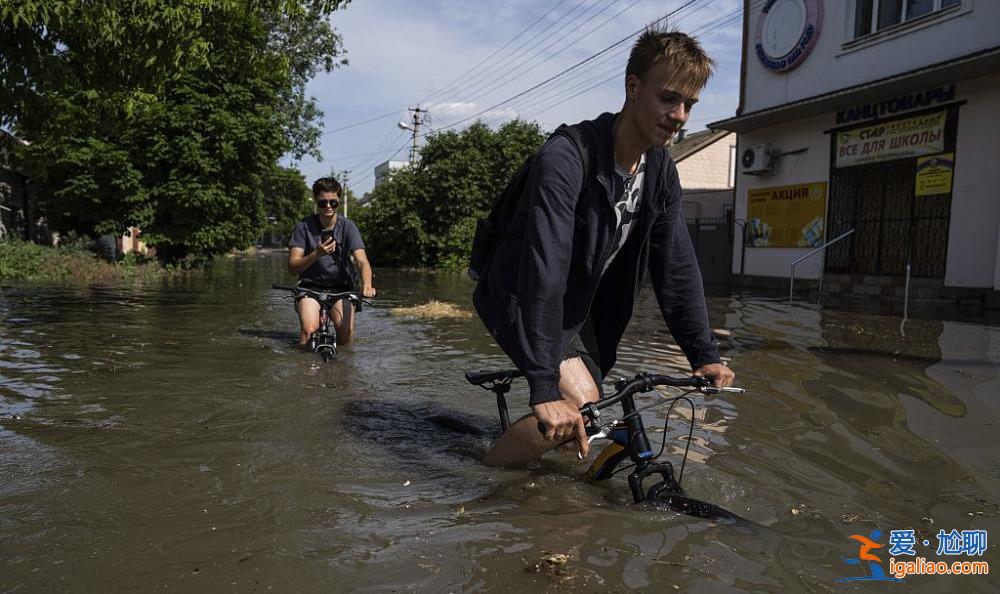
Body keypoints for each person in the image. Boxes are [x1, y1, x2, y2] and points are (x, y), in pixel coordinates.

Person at [472, 25, 734, 466]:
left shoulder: (661, 171)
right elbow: (544, 266)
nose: (681, 115)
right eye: (669, 98)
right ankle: (481, 477)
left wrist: (703, 354)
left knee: (588, 415)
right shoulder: (566, 157)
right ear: (633, 87)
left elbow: (676, 266)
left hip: (577, 306)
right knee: (583, 402)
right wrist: (540, 382)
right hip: (520, 292)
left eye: (690, 104)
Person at [287, 177, 376, 346]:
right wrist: (316, 254)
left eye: (333, 202)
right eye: (323, 203)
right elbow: (292, 267)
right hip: (310, 287)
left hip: (342, 289)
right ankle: (304, 369)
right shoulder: (302, 226)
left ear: (339, 201)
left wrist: (367, 284)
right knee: (308, 330)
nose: (328, 207)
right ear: (315, 201)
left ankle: (345, 369)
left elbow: (362, 261)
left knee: (345, 332)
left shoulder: (348, 227)